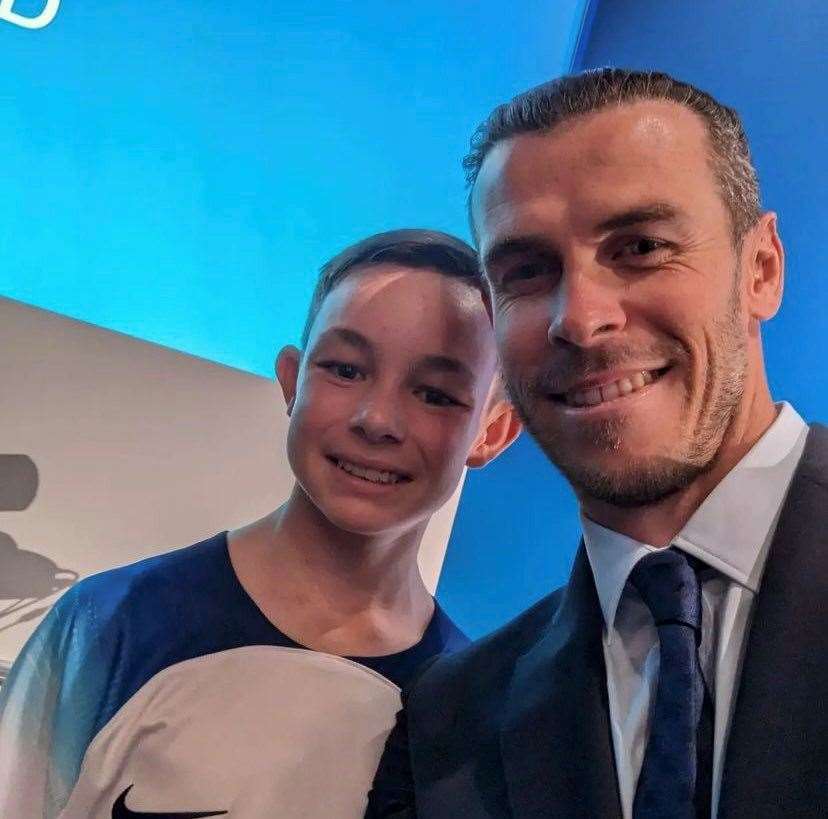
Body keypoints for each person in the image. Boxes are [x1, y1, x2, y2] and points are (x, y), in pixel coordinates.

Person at [366, 69, 827, 818]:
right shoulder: (445, 726)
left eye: (640, 246)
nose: (578, 318)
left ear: (762, 270)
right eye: (526, 271)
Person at [0, 229, 521, 818]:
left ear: (491, 432)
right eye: (346, 370)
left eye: (434, 393)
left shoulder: (471, 712)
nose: (378, 420)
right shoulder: (110, 625)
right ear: (293, 382)